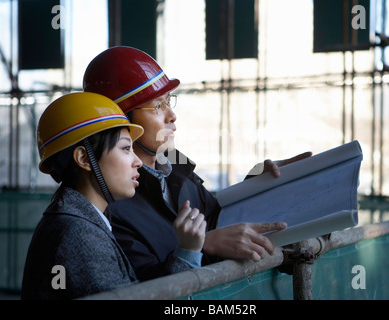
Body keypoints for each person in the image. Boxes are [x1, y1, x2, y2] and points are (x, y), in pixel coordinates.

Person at [83, 46, 311, 281]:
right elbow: (143, 289)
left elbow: (215, 218)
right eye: (158, 106)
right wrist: (203, 245)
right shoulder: (108, 205)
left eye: (169, 101)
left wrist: (254, 187)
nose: (172, 115)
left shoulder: (175, 164)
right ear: (121, 120)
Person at [21, 92, 206, 299]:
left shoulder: (81, 221)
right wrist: (187, 254)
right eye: (126, 148)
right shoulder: (78, 234)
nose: (137, 162)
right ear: (84, 158)